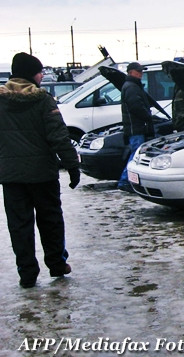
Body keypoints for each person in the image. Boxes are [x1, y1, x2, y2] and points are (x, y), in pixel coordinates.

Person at [0, 52, 79, 288]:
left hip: (11, 176)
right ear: (32, 74)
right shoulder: (43, 99)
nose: (42, 76)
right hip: (42, 174)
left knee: (19, 225)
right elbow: (59, 136)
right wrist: (72, 165)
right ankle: (56, 264)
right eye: (40, 72)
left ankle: (27, 273)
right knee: (51, 220)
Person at [118, 62, 155, 192]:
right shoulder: (132, 87)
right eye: (138, 71)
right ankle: (124, 180)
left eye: (141, 71)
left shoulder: (132, 86)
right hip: (136, 128)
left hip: (135, 127)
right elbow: (136, 107)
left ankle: (127, 180)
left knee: (135, 154)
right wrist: (148, 116)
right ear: (130, 72)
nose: (141, 73)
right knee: (135, 155)